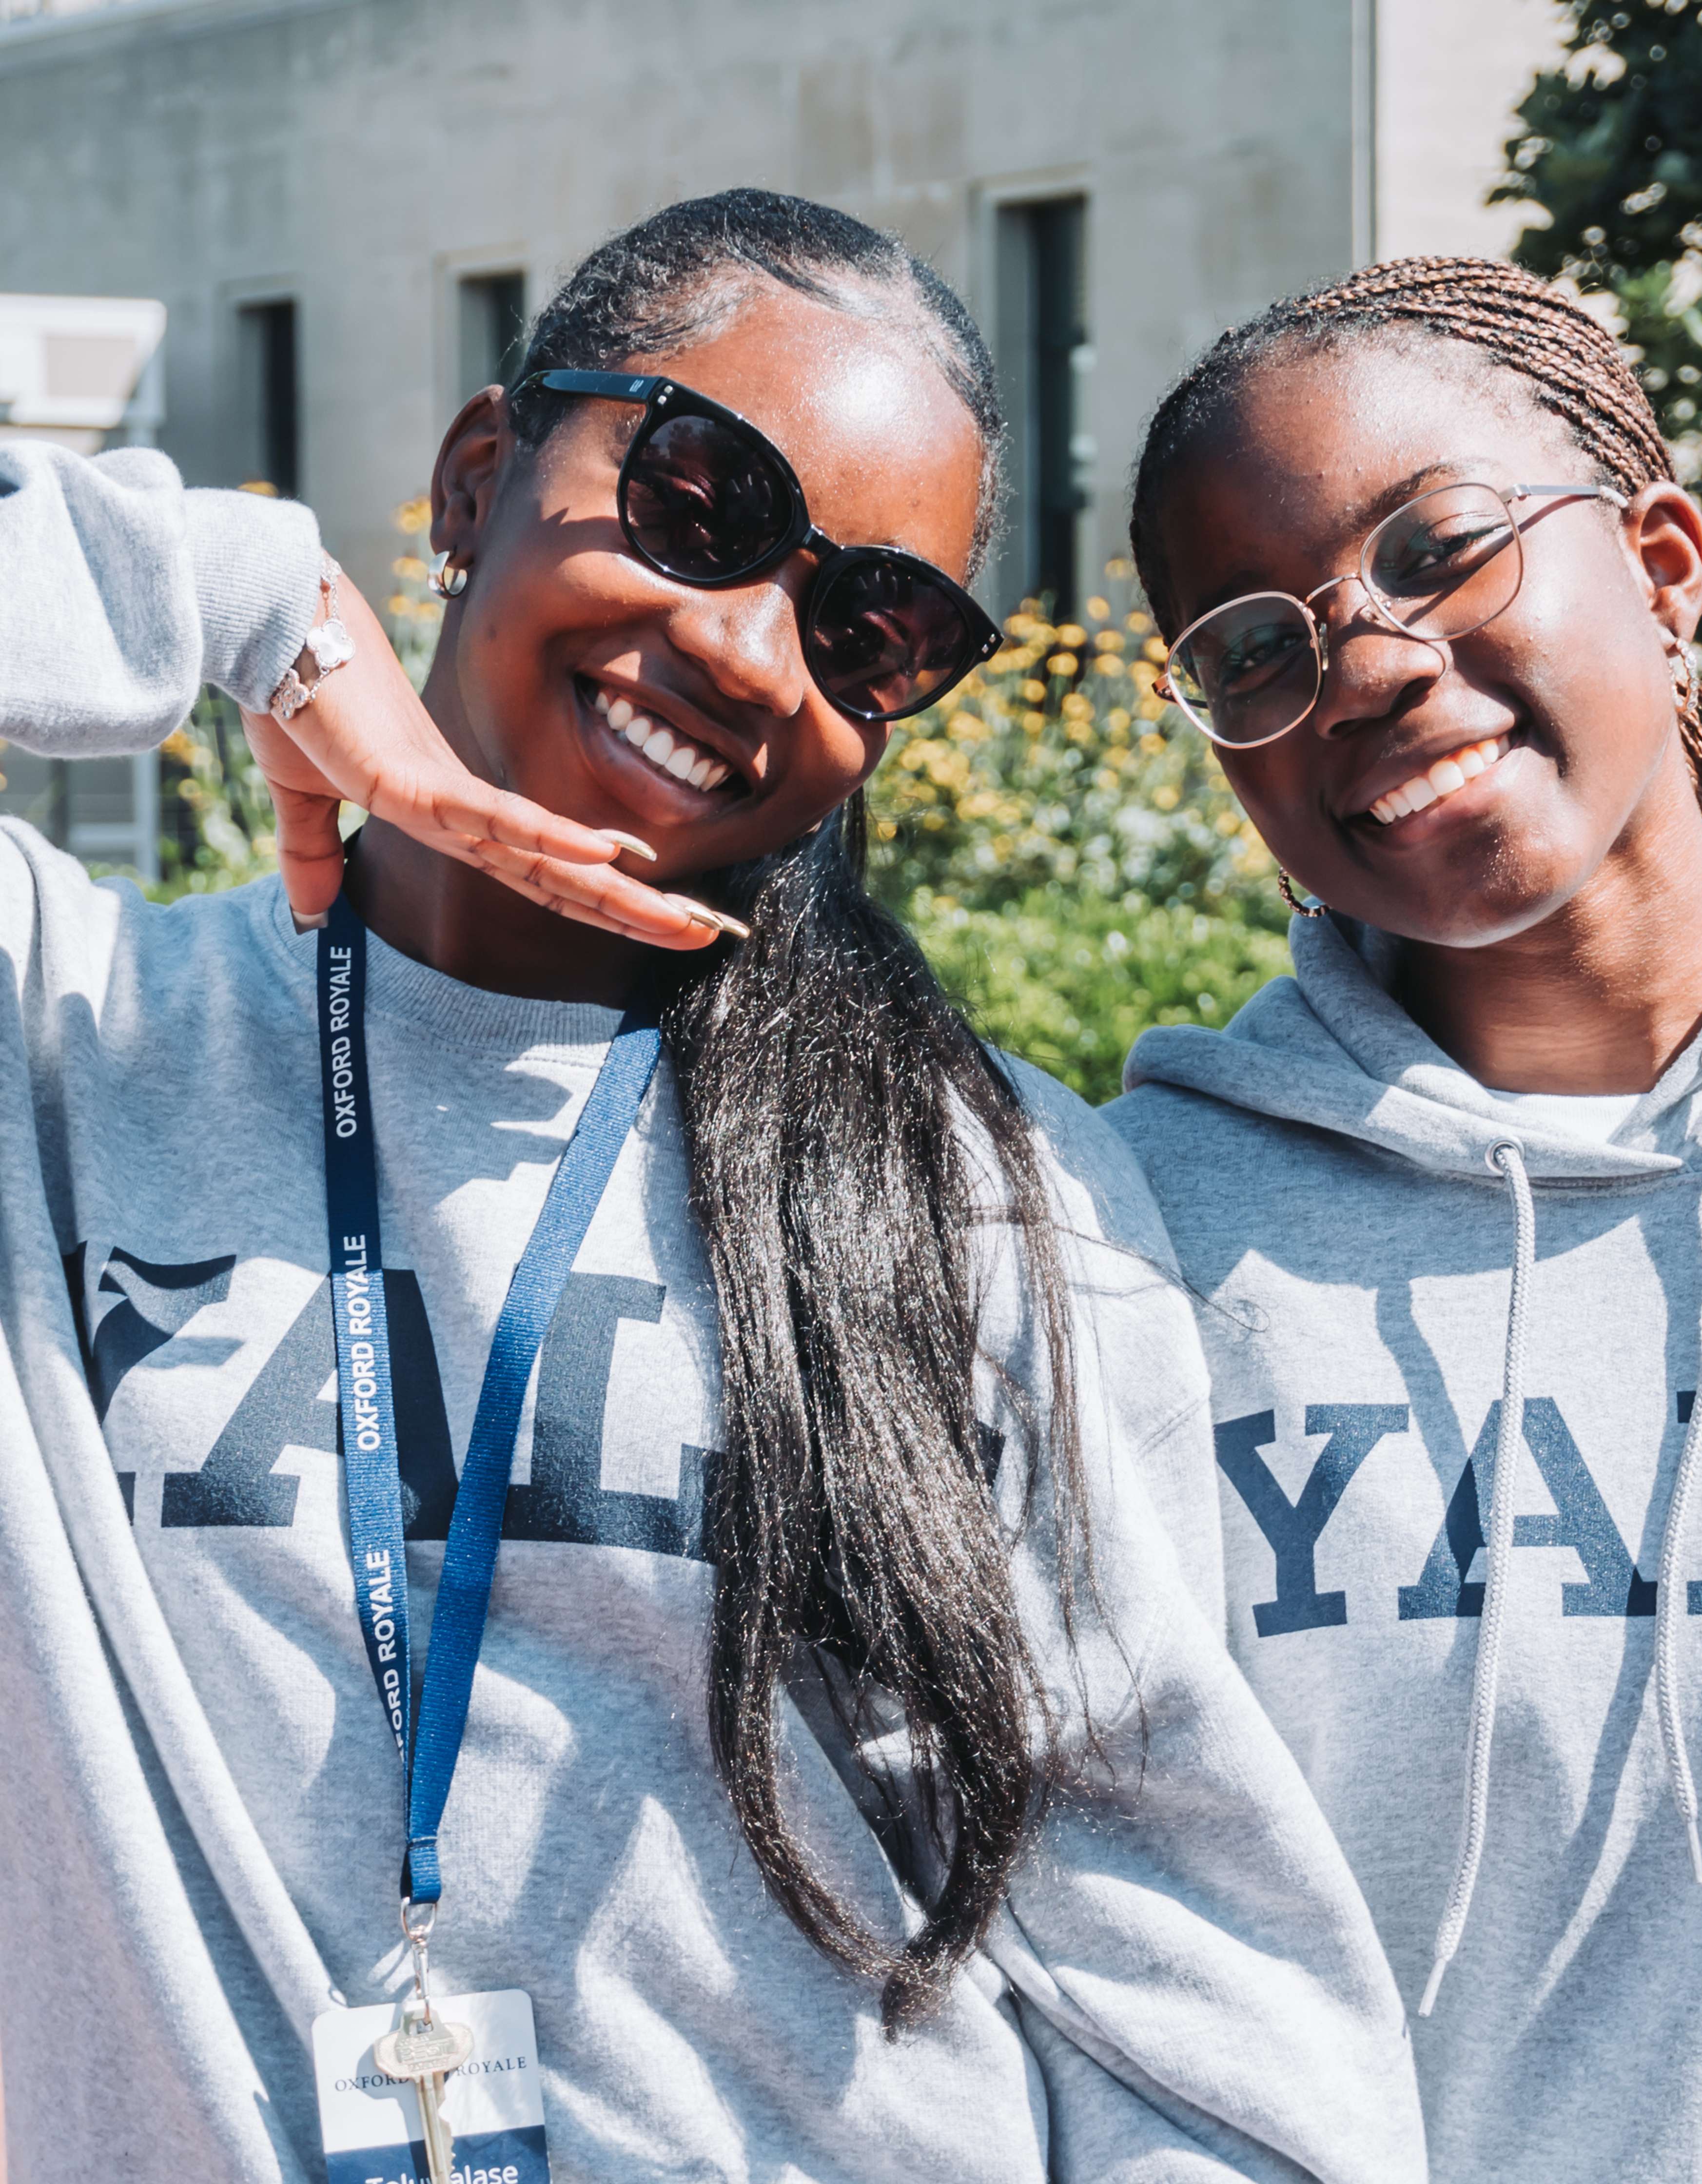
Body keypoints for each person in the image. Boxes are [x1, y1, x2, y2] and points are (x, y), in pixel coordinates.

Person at [0, 192, 1425, 2184]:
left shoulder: (975, 1195)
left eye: (874, 628)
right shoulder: (60, 1038)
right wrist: (243, 592)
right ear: (480, 474)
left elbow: (1193, 1980)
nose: (752, 651)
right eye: (695, 495)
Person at [1110, 254, 1702, 2184]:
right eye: (1257, 647)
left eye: (1439, 548)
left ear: (1668, 562)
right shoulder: (1138, 1251)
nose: (1363, 661)